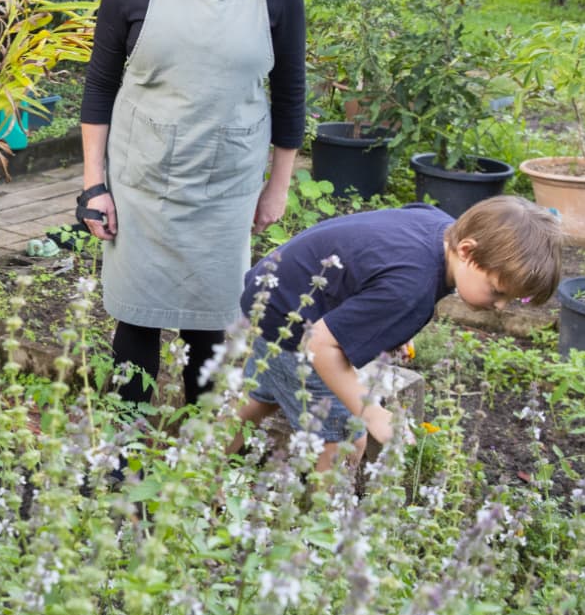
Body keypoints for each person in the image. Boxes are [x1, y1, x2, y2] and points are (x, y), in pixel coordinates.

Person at [79, 0, 306, 406]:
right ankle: (121, 463)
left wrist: (276, 189)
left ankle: (196, 461)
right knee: (135, 331)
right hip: (142, 186)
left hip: (225, 191)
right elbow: (100, 87)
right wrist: (93, 187)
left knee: (210, 334)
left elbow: (290, 96)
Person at [228, 196, 562, 471]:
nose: (501, 307)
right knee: (346, 441)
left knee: (259, 399)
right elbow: (319, 343)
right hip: (293, 323)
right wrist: (371, 412)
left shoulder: (440, 225)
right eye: (496, 292)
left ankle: (198, 474)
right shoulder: (409, 291)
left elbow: (378, 265)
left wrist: (388, 324)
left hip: (275, 290)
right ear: (467, 251)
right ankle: (318, 534)